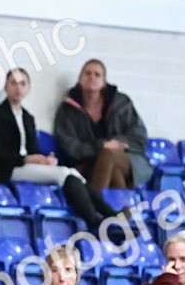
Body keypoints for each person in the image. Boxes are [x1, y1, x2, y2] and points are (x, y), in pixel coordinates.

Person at [0, 68, 123, 231]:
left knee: (74, 173)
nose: (18, 88)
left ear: (28, 88)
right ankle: (93, 220)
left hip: (26, 166)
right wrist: (28, 159)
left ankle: (110, 216)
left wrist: (45, 159)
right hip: (8, 169)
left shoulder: (27, 117)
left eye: (22, 84)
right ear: (6, 87)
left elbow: (33, 149)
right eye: (13, 83)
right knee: (63, 174)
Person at [53, 60, 152, 190]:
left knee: (109, 154)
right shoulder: (67, 109)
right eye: (87, 73)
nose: (92, 77)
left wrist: (117, 143)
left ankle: (97, 204)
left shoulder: (121, 104)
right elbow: (70, 146)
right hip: (88, 163)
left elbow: (139, 136)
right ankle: (119, 210)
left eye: (97, 74)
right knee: (115, 175)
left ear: (104, 82)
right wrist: (100, 146)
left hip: (128, 159)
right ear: (79, 79)